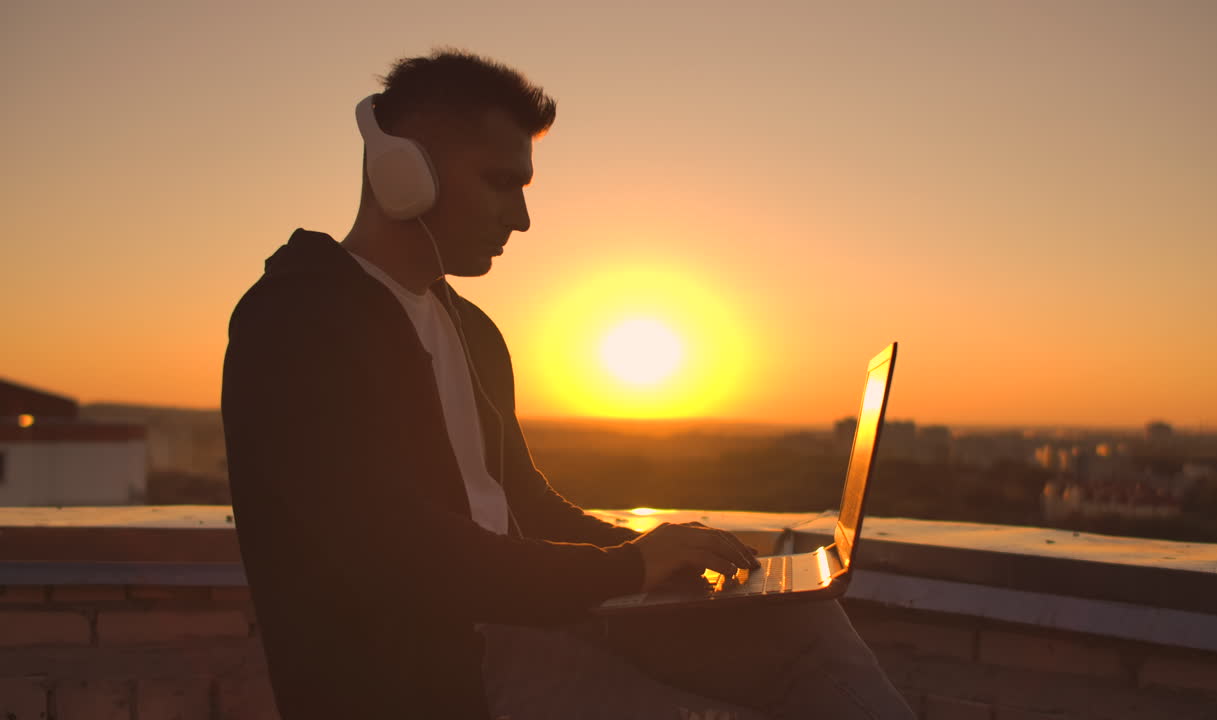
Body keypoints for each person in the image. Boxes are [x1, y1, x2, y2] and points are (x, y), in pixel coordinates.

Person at [221, 49, 914, 720]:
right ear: (404, 173)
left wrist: (655, 553)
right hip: (430, 678)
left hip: (529, 628)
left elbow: (525, 506)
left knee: (808, 621)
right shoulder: (296, 320)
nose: (521, 218)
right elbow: (399, 550)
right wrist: (624, 573)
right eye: (500, 182)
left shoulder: (469, 328)